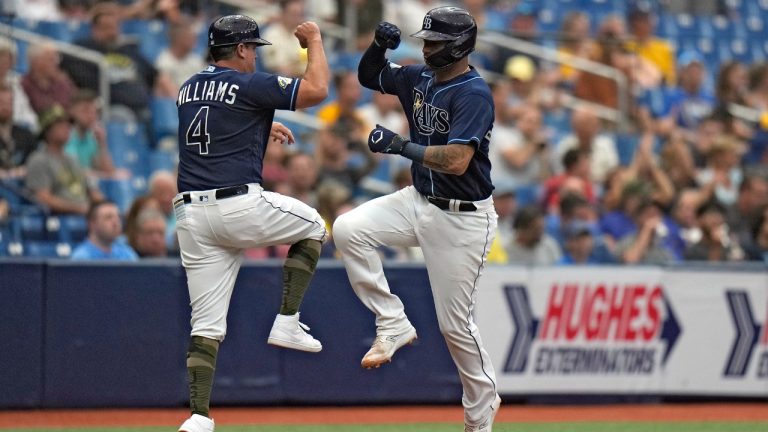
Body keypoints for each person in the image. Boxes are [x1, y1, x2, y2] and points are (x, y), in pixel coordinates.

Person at [332, 8, 501, 431]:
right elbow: (371, 77)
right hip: (419, 200)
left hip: (463, 219)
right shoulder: (420, 77)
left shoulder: (473, 92)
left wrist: (400, 146)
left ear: (459, 46)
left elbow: (459, 161)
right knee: (349, 229)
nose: (426, 48)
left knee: (454, 327)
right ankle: (392, 321)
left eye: (434, 42)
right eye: (425, 40)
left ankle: (481, 412)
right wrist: (377, 46)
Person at [174, 14, 329, 432]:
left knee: (205, 325)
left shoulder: (188, 87)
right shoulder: (247, 84)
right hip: (236, 205)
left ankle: (198, 417)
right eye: (253, 49)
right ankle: (287, 320)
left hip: (190, 214)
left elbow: (216, 126)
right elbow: (317, 90)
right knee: (314, 225)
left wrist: (261, 123)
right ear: (241, 49)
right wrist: (313, 41)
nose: (256, 57)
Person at [71, 200, 138, 260]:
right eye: (108, 217)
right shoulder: (81, 258)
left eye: (118, 217)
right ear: (92, 224)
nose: (116, 222)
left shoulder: (127, 253)